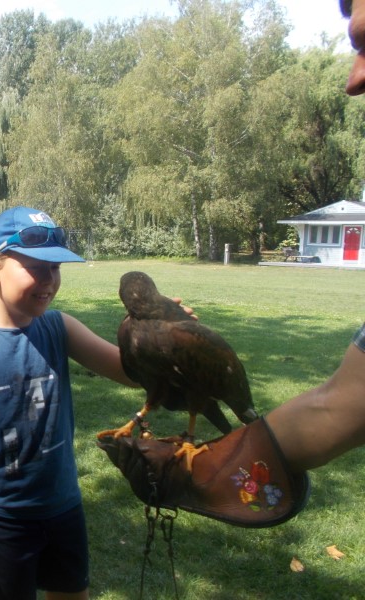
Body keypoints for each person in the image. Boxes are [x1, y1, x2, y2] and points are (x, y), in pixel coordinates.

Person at [95, 0, 365, 515]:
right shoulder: (131, 331)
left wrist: (216, 454)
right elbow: (349, 405)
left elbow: (346, 406)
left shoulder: (182, 335)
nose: (353, 80)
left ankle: (196, 435)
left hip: (208, 390)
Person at [0, 206, 139, 600]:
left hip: (64, 507)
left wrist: (165, 338)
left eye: (55, 268)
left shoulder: (59, 328)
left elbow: (130, 372)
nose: (49, 280)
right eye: (36, 267)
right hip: (1, 518)